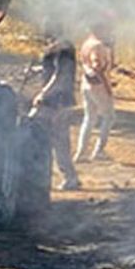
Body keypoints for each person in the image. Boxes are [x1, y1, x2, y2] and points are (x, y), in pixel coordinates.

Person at [30, 23, 81, 190]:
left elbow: (61, 76)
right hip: (55, 100)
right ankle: (67, 176)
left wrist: (43, 93)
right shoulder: (59, 47)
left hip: (57, 102)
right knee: (56, 139)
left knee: (58, 139)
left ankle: (69, 177)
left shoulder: (63, 48)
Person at [75, 18, 117, 163]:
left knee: (89, 118)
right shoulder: (98, 46)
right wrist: (107, 86)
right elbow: (97, 66)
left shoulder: (86, 43)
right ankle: (99, 150)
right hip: (98, 86)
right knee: (109, 116)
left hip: (86, 84)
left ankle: (81, 152)